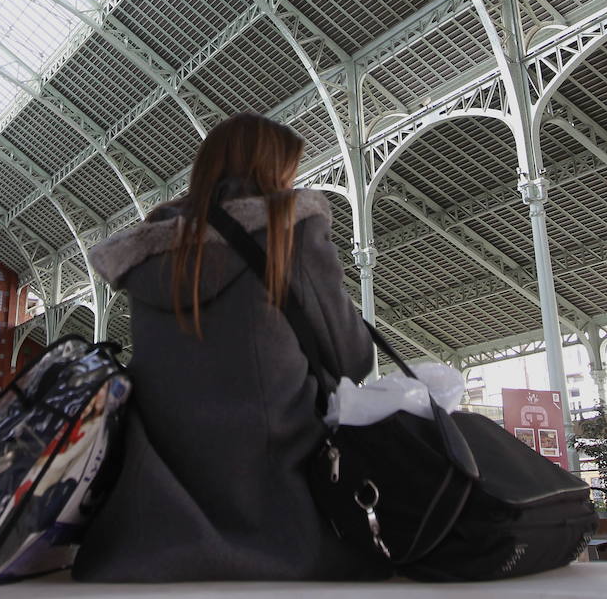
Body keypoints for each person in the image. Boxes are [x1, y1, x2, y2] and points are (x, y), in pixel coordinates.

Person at [73, 113, 383, 582]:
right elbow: (353, 357)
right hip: (279, 508)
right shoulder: (289, 226)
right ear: (273, 171)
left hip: (155, 523)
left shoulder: (150, 250)